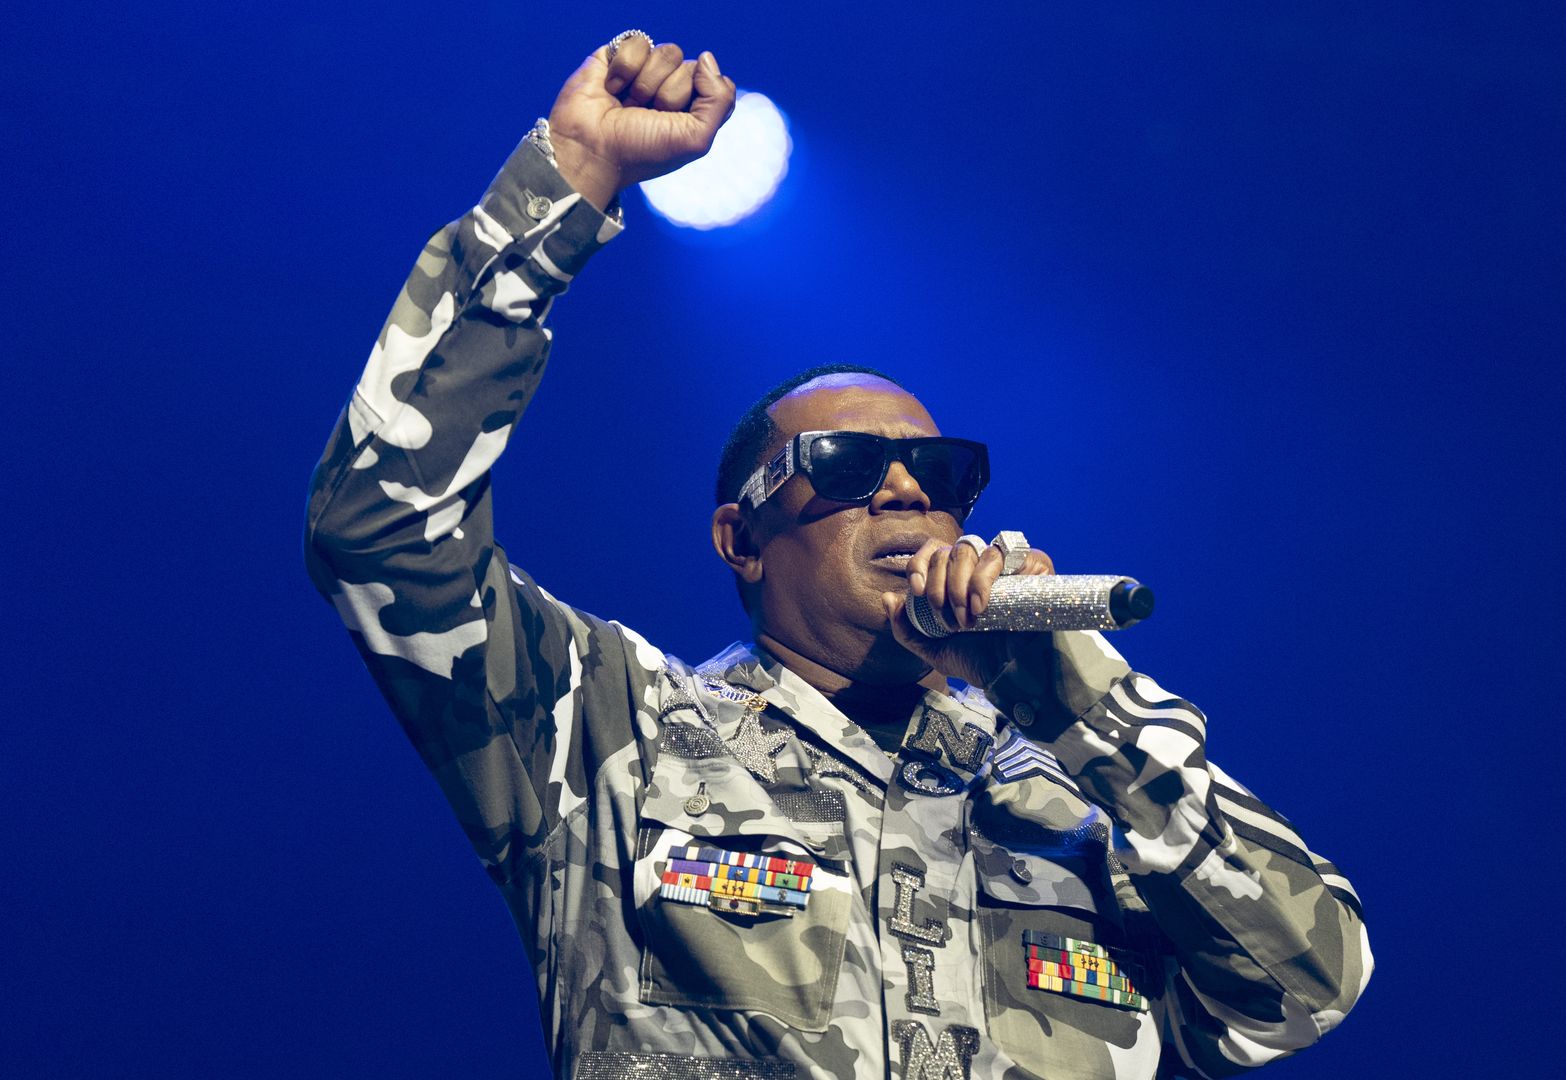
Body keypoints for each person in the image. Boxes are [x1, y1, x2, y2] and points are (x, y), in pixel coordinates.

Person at [304, 28, 1371, 1080]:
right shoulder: (608, 735)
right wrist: (570, 180)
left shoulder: (1079, 807)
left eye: (940, 473)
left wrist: (1084, 706)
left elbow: (1308, 988)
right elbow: (382, 531)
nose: (906, 488)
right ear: (744, 540)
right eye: (850, 464)